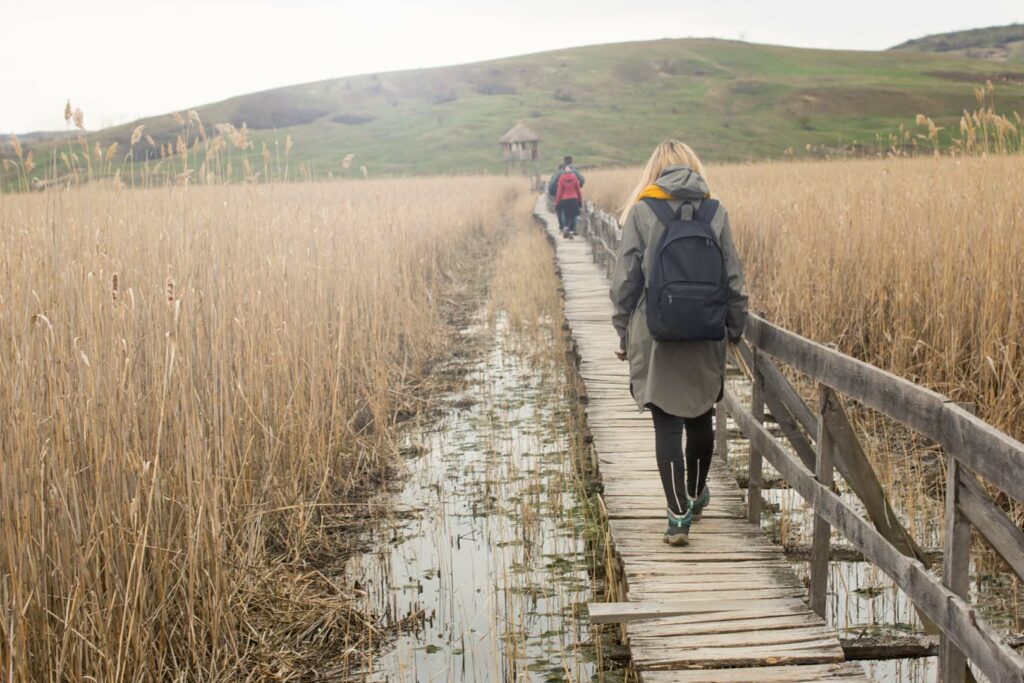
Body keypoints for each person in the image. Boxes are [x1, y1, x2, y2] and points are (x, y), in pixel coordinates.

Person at [609, 140, 748, 546]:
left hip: (656, 333)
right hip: (705, 331)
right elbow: (733, 279)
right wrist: (734, 328)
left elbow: (625, 280)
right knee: (701, 414)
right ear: (694, 168)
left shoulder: (642, 211)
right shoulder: (714, 210)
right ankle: (697, 492)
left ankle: (677, 515)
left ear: (654, 171)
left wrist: (622, 329)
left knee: (666, 422)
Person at [548, 156, 585, 232]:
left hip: (562, 196)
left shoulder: (559, 173)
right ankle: (573, 229)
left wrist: (553, 192)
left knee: (563, 212)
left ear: (564, 162)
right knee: (573, 213)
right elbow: (582, 179)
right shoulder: (575, 172)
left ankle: (564, 227)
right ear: (571, 161)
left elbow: (552, 184)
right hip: (574, 196)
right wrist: (578, 185)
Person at [554, 163, 583, 238]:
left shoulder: (561, 178)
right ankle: (571, 231)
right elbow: (578, 191)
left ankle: (566, 228)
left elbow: (559, 192)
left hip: (565, 200)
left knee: (566, 215)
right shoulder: (574, 178)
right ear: (571, 171)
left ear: (564, 171)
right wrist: (580, 201)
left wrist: (557, 202)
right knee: (573, 216)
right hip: (574, 199)